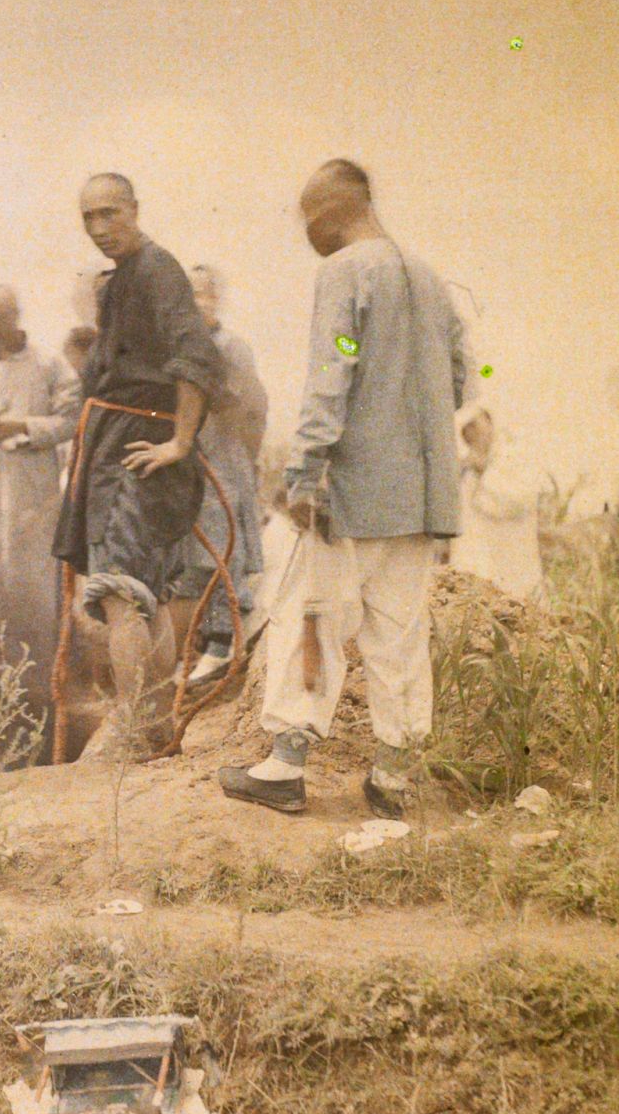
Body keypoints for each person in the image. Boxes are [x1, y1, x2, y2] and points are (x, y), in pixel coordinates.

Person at [218, 159, 466, 818]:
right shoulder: (432, 280)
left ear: (330, 210)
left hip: (350, 488)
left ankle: (283, 767)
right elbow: (461, 377)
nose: (308, 235)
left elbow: (332, 372)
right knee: (400, 632)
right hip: (420, 494)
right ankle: (394, 775)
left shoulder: (346, 272)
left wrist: (304, 473)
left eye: (308, 220)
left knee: (310, 614)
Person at [54, 174, 226, 758]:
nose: (100, 228)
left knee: (121, 593)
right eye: (89, 218)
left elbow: (198, 354)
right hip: (117, 444)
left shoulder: (158, 268)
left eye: (110, 213)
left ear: (135, 208)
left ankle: (135, 730)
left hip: (140, 446)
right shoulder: (120, 282)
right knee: (141, 590)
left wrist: (180, 442)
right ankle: (153, 729)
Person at [0, 285, 81, 718]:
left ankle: (39, 695)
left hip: (33, 489)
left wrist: (23, 427)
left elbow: (71, 418)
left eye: (4, 313)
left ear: (18, 313)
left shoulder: (48, 363)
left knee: (33, 590)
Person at [180, 265, 268, 688]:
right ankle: (208, 638)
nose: (198, 303)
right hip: (192, 459)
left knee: (223, 544)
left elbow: (252, 405)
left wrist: (243, 455)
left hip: (225, 456)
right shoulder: (181, 346)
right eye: (191, 294)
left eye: (205, 295)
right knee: (197, 551)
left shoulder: (232, 347)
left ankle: (226, 641)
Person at [449, 397, 545, 601]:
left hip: (513, 558)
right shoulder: (467, 469)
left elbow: (521, 500)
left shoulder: (514, 454)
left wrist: (484, 471)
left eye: (476, 425)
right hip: (479, 563)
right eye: (467, 430)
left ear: (489, 422)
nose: (473, 434)